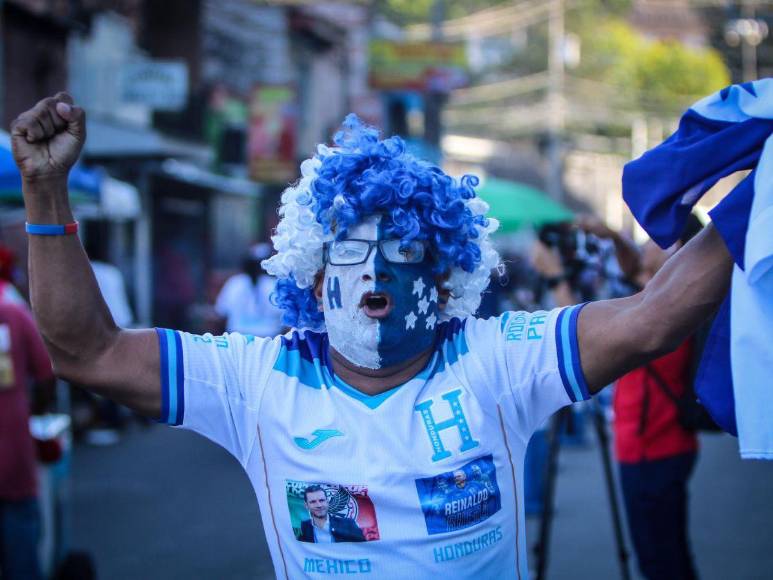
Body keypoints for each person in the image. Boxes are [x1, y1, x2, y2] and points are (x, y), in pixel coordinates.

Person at [11, 93, 732, 579]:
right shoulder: (255, 379)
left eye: (405, 252)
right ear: (316, 282)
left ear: (444, 279)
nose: (375, 272)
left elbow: (652, 317)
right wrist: (44, 192)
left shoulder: (493, 360)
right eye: (349, 254)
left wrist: (750, 200)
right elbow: (88, 352)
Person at [0, 300, 56, 580]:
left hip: (14, 465)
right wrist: (33, 410)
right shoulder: (13, 314)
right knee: (22, 561)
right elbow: (47, 374)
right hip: (14, 460)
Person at [214, 243, 283, 337]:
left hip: (238, 337)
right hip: (268, 339)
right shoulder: (274, 284)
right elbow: (284, 315)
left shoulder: (234, 283)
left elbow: (221, 311)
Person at [298, 485, 365, 543]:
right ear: (306, 505)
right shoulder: (304, 527)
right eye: (313, 502)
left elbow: (363, 548)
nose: (319, 505)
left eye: (321, 500)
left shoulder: (348, 524)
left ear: (327, 502)